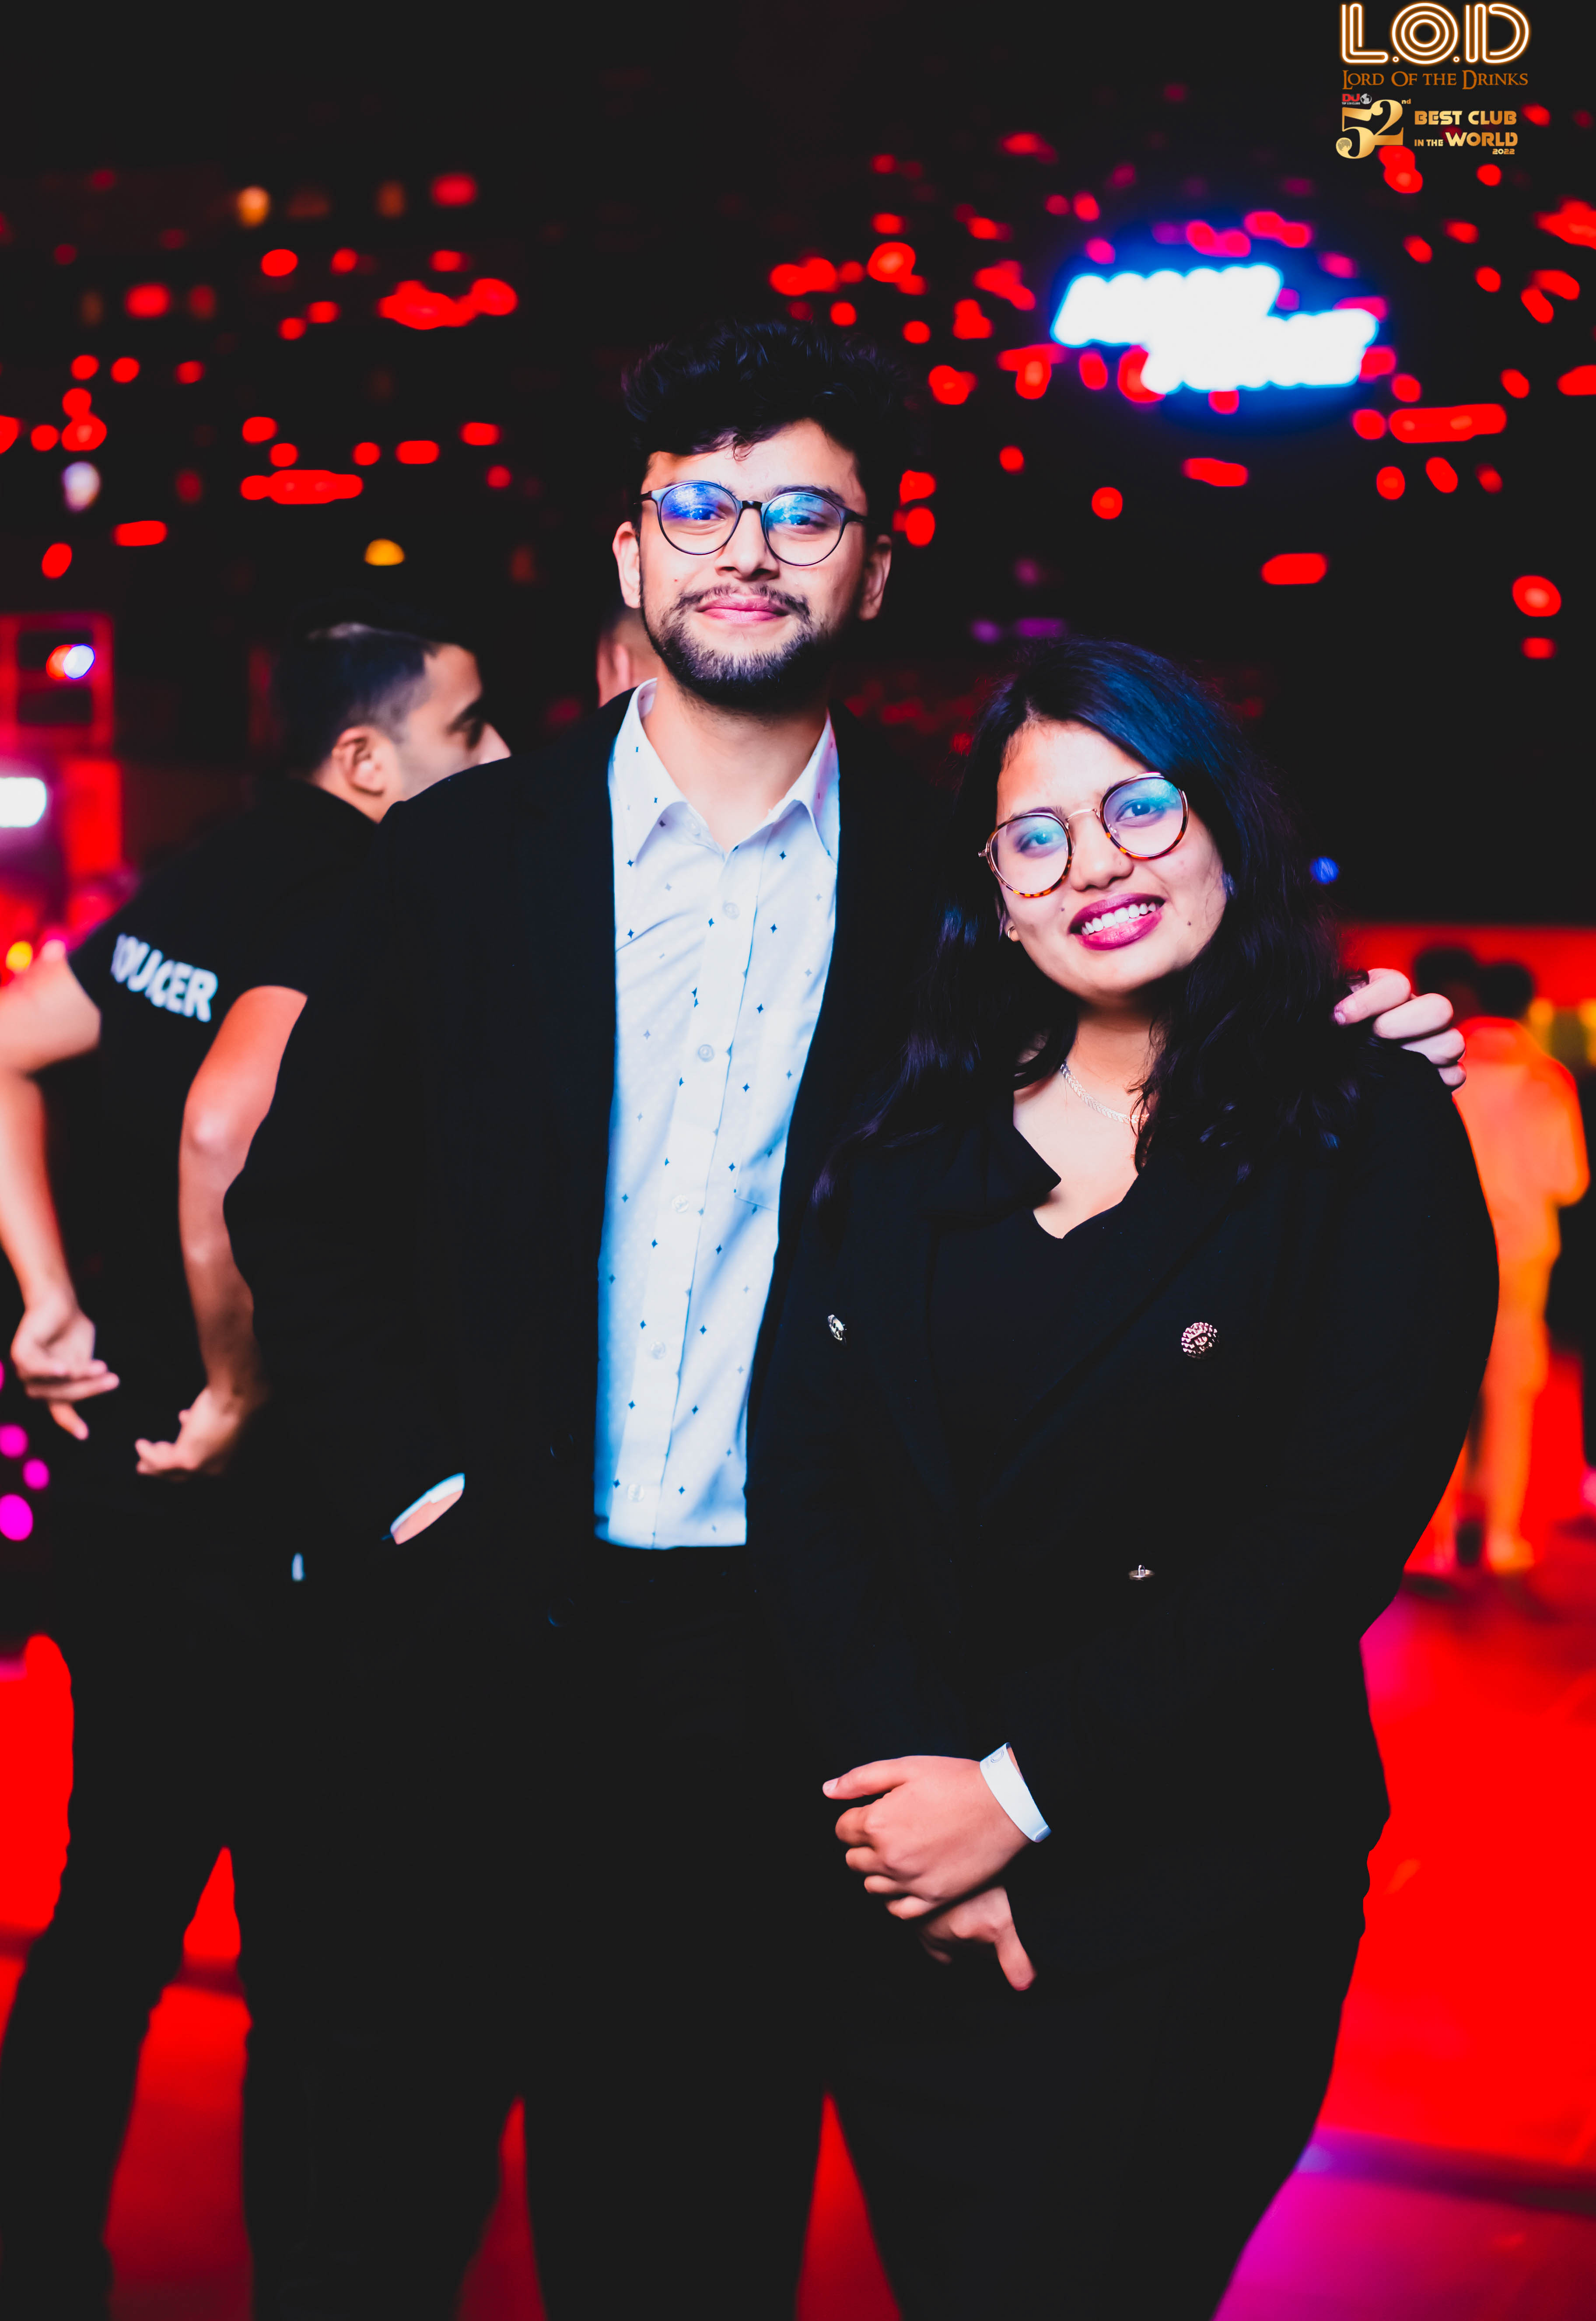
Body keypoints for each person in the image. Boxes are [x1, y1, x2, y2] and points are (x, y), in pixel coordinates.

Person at [225, 318, 1462, 2320]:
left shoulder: (946, 872)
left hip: (774, 1659)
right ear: (628, 553)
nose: (746, 548)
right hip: (454, 1620)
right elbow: (302, 1204)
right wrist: (429, 1497)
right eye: (699, 506)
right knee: (367, 2191)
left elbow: (1144, 1006)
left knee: (684, 2209)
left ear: (874, 568)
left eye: (804, 512)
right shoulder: (459, 852)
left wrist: (1342, 1034)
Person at [747, 638, 1498, 2321]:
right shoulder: (906, 1132)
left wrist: (1013, 1798)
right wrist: (917, 1815)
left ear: (1224, 823)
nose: (1093, 864)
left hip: (1193, 1893)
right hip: (905, 1879)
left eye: (1138, 807)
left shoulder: (1361, 1123)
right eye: (1036, 837)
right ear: (992, 898)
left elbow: (1323, 1539)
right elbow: (804, 1473)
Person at [0, 604, 505, 2321]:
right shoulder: (356, 887)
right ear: (369, 760)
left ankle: (39, 2269)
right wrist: (234, 1388)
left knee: (106, 1923)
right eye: (471, 727)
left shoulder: (210, 867)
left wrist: (49, 1300)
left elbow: (9, 1043)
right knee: (310, 1958)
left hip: (114, 1490)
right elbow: (227, 1129)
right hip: (248, 1515)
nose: (500, 755)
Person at [1447, 961, 1588, 1572]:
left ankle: (1434, 1540)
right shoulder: (1545, 1079)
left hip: (1448, 1250)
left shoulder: (1444, 1065)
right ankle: (1500, 1536)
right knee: (1510, 1393)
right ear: (1530, 1005)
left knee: (1443, 1390)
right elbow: (1570, 1180)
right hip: (1523, 1256)